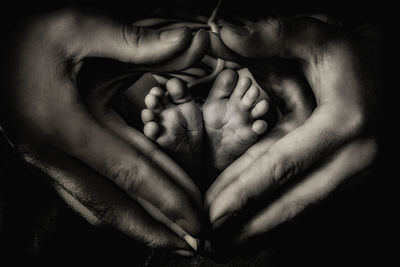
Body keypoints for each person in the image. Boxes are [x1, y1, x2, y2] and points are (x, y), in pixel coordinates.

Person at [0, 1, 386, 264]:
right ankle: (176, 134)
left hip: (274, 48)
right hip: (114, 52)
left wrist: (379, 52)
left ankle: (168, 137)